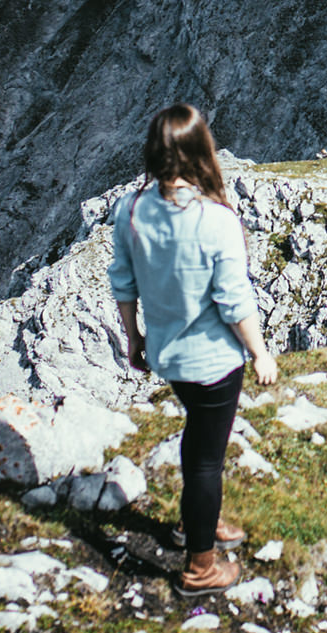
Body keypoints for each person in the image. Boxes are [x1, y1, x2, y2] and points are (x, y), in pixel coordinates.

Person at [108, 102, 278, 596]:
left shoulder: (131, 210)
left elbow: (124, 281)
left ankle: (196, 521)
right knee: (207, 461)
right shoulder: (215, 219)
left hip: (167, 356)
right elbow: (234, 300)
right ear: (201, 151)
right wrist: (260, 353)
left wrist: (134, 338)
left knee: (199, 443)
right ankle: (200, 566)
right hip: (214, 363)